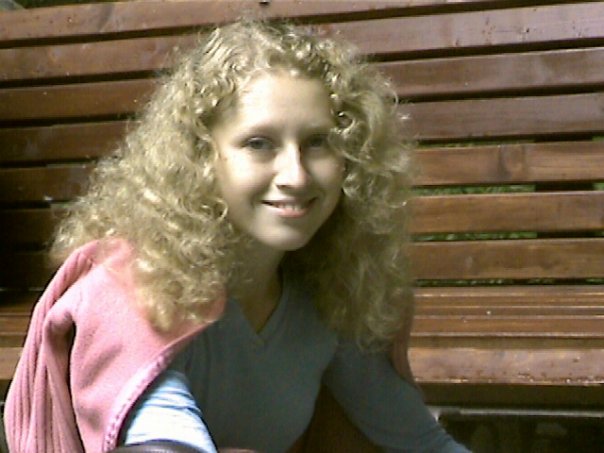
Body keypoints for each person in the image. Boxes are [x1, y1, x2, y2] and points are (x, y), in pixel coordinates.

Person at [4, 20, 470, 453]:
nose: (295, 175)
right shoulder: (129, 291)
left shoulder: (326, 291)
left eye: (318, 142)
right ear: (200, 158)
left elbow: (419, 441)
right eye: (259, 144)